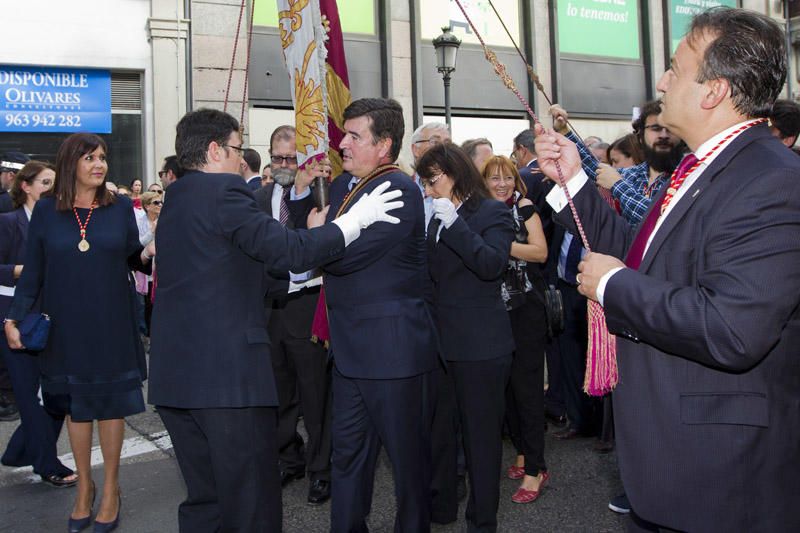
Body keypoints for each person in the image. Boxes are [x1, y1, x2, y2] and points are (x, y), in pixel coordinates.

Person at [535, 8, 800, 531]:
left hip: (722, 477)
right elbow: (644, 257)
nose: (661, 82)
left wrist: (612, 285)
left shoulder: (771, 180)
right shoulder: (701, 164)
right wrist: (572, 181)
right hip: (675, 463)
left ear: (714, 91)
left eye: (675, 69)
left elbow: (731, 328)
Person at [147, 107, 402, 532]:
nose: (240, 158)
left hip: (178, 377)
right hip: (227, 380)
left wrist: (299, 266)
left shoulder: (177, 198)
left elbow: (230, 267)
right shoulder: (226, 193)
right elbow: (291, 252)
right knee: (250, 501)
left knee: (205, 500)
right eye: (235, 148)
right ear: (213, 151)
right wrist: (350, 223)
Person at [4, 133, 155, 533]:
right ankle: (84, 489)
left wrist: (150, 251)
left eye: (103, 157)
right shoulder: (49, 213)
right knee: (75, 406)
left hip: (112, 323)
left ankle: (110, 491)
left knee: (111, 406)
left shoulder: (119, 206)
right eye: (90, 158)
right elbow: (33, 272)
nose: (99, 164)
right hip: (66, 325)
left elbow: (130, 256)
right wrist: (13, 317)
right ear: (71, 163)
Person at [323, 98, 439, 533]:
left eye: (355, 136)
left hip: (394, 355)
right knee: (348, 457)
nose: (343, 143)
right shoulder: (342, 187)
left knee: (408, 464)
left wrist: (315, 241)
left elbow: (343, 257)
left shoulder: (398, 189)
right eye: (344, 134)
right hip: (350, 353)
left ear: (385, 145)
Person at [417, 143, 513, 532]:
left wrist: (455, 225)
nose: (427, 189)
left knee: (481, 441)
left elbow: (491, 265)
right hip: (441, 345)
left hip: (480, 346)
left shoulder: (491, 211)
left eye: (432, 180)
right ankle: (442, 510)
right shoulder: (436, 215)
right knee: (440, 434)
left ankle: (482, 521)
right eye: (424, 181)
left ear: (454, 171)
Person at [252, 125, 333, 505]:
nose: (283, 165)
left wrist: (303, 191)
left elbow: (315, 240)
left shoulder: (316, 196)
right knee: (280, 394)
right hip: (269, 310)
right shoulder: (259, 196)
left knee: (315, 396)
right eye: (277, 157)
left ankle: (321, 470)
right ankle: (289, 457)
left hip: (307, 308)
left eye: (290, 158)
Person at [0, 161, 77, 487]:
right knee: (30, 396)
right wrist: (22, 270)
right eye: (45, 182)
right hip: (13, 318)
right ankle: (48, 464)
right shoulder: (8, 222)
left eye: (55, 183)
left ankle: (19, 450)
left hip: (51, 317)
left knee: (58, 394)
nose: (52, 188)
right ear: (26, 186)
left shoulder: (59, 224)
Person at [481, 155, 550, 505]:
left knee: (527, 392)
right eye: (494, 178)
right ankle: (522, 452)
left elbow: (540, 252)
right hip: (494, 314)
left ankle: (535, 469)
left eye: (507, 177)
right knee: (507, 389)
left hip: (526, 312)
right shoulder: (478, 212)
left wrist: (500, 246)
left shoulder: (525, 208)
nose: (502, 184)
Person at [551, 100, 684, 226]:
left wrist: (617, 185)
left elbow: (660, 221)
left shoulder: (689, 176)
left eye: (671, 128)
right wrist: (564, 130)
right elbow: (591, 167)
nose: (664, 135)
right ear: (641, 137)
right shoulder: (633, 174)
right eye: (656, 128)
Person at [410, 121, 451, 224]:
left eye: (447, 143)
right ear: (415, 149)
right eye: (435, 142)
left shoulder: (461, 188)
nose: (442, 148)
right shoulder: (403, 187)